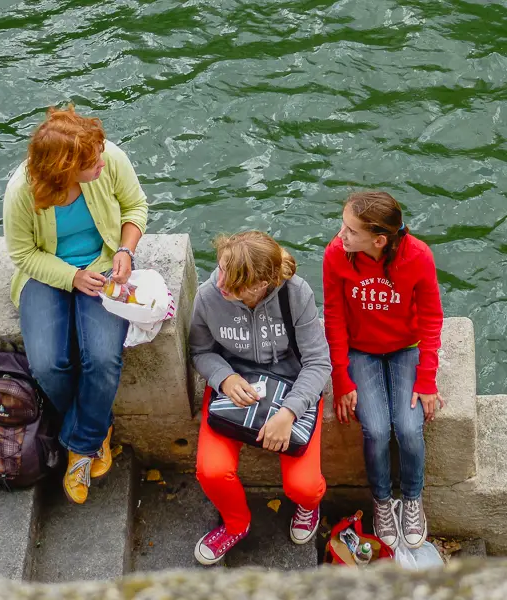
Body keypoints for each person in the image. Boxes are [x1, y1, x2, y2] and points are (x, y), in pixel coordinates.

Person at [3, 105, 148, 504]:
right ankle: (96, 430)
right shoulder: (22, 193)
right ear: (63, 169)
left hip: (103, 265)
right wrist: (70, 276)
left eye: (98, 154)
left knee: (101, 357)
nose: (102, 162)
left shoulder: (110, 160)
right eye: (90, 161)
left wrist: (125, 250)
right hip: (47, 272)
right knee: (48, 362)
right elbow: (22, 254)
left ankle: (80, 445)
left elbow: (136, 208)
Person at [189, 231, 331, 565]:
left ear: (261, 284)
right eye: (221, 270)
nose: (220, 284)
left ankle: (309, 508)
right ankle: (236, 523)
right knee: (211, 471)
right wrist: (224, 377)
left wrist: (289, 413)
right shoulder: (209, 296)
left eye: (233, 282)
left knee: (305, 487)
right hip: (235, 382)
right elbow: (200, 350)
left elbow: (318, 362)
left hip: (292, 385)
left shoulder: (296, 294)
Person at [323, 191, 444, 550]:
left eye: (349, 230)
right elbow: (334, 316)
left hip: (405, 349)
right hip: (361, 351)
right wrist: (341, 378)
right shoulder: (336, 255)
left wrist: (427, 378)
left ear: (378, 240)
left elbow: (432, 318)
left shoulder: (418, 256)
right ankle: (381, 500)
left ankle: (411, 498)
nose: (340, 235)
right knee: (375, 428)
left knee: (409, 427)